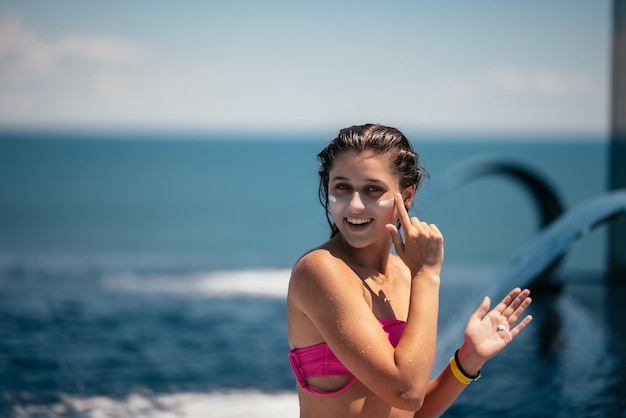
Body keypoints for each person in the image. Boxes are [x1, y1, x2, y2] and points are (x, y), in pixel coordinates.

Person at [286, 124, 533, 418]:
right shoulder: (321, 270)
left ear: (407, 196)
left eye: (372, 190)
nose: (354, 204)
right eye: (342, 187)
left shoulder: (406, 274)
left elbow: (410, 409)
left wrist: (467, 360)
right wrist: (428, 275)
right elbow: (406, 393)